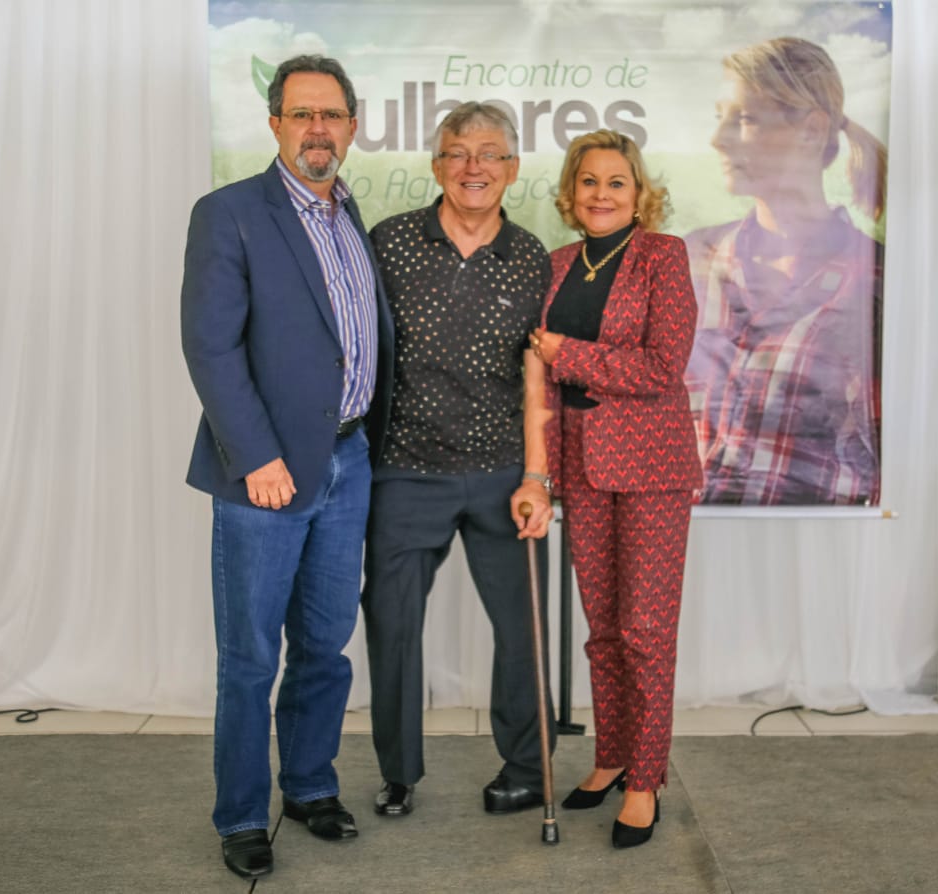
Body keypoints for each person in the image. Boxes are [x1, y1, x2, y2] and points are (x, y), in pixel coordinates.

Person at [180, 54, 393, 881]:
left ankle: (308, 786)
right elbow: (210, 347)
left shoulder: (348, 214)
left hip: (347, 461)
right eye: (301, 113)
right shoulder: (229, 213)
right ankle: (240, 815)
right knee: (249, 659)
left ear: (351, 125)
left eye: (330, 114)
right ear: (274, 123)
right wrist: (258, 458)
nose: (317, 128)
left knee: (324, 646)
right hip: (265, 476)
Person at [362, 101, 555, 820]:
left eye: (489, 153)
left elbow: (538, 377)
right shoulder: (390, 242)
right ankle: (398, 773)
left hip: (504, 472)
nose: (474, 167)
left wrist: (536, 476)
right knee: (392, 623)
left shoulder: (532, 257)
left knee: (522, 628)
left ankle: (527, 768)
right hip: (405, 469)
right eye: (458, 153)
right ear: (437, 165)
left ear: (512, 168)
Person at [530, 129, 700, 849]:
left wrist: (568, 353)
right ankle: (610, 755)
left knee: (645, 631)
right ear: (571, 193)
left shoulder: (663, 256)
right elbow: (539, 376)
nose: (601, 194)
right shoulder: (555, 264)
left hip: (652, 468)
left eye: (616, 182)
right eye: (589, 181)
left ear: (639, 193)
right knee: (602, 631)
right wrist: (539, 470)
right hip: (581, 468)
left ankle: (644, 779)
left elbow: (662, 367)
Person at [685, 36, 885, 506]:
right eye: (720, 116)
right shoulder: (691, 258)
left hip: (807, 541)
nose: (718, 138)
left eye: (745, 118)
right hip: (684, 538)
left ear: (812, 130)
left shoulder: (875, 278)